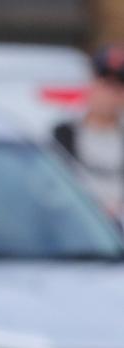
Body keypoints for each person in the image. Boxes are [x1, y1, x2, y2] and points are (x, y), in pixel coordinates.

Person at [53, 45, 124, 223]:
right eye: (105, 83)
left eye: (118, 87)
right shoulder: (62, 135)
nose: (110, 94)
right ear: (91, 82)